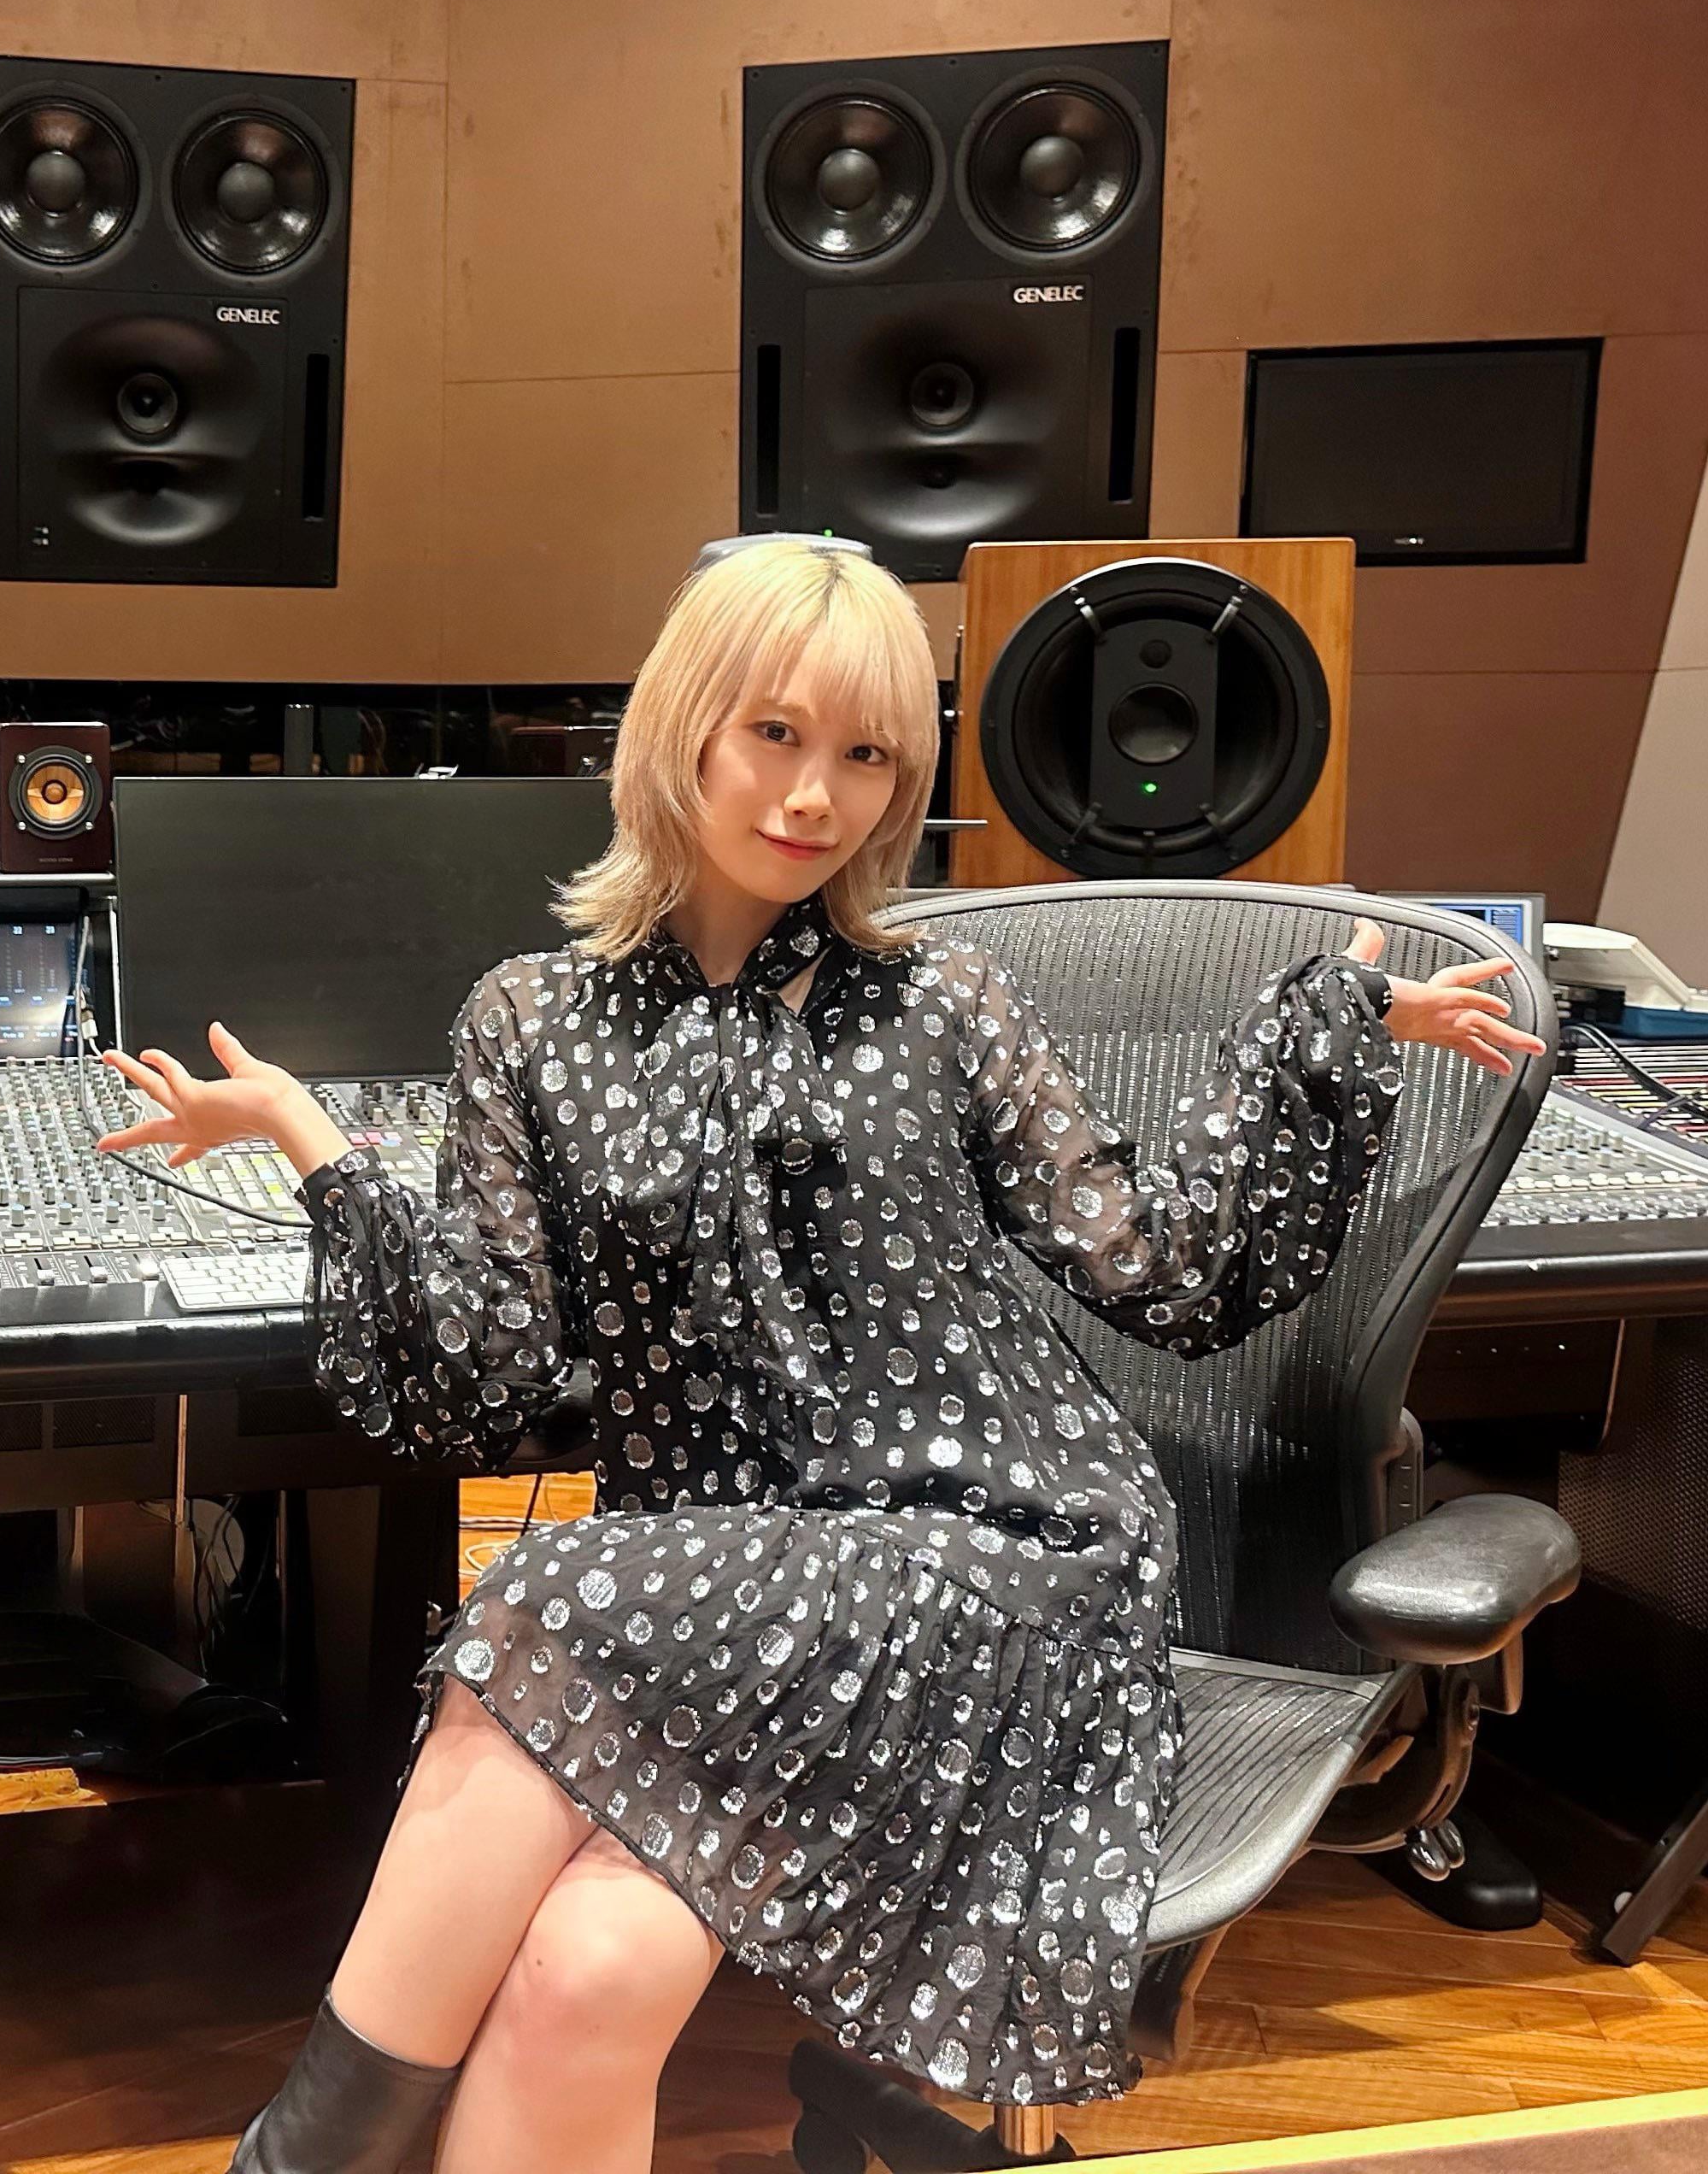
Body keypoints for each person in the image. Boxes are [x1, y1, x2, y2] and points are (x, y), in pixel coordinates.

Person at [97, 540, 1541, 2174]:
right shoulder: (527, 1022)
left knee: (534, 1599)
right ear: (684, 730)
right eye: (775, 734)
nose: (816, 796)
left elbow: (1161, 1269)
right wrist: (314, 1142)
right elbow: (487, 1372)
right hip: (716, 1608)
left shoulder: (943, 1001)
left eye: (865, 755)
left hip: (993, 1557)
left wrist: (1321, 1038)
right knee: (589, 1969)